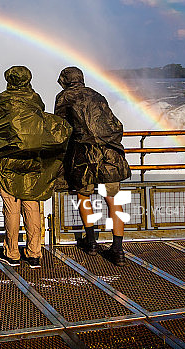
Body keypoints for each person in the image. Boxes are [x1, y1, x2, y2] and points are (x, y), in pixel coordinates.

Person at [0, 66, 71, 269]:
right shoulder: (35, 98)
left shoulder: (5, 99)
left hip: (9, 160)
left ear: (9, 79)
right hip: (33, 158)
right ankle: (34, 253)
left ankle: (12, 253)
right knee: (32, 204)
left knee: (12, 207)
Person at [54, 66, 131, 266]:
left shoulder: (64, 97)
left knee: (83, 196)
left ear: (64, 80)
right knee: (113, 200)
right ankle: (118, 249)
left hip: (83, 157)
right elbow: (115, 125)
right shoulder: (98, 95)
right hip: (109, 156)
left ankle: (91, 242)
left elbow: (60, 129)